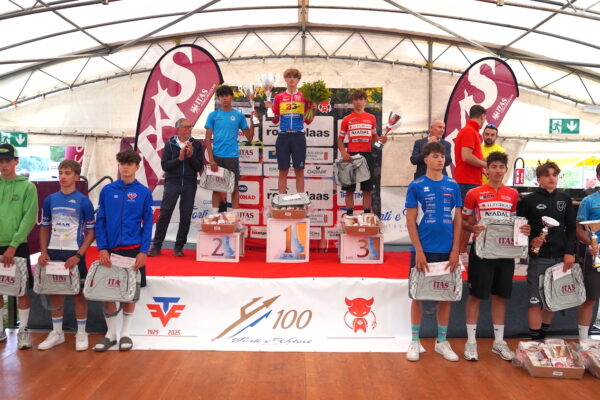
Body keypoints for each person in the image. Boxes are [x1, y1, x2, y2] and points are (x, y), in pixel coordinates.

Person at [462, 151, 530, 362]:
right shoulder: (474, 193)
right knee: (475, 296)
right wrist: (472, 227)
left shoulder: (513, 194)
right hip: (481, 252)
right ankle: (471, 342)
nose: (497, 171)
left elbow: (516, 223)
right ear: (486, 170)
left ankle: (499, 342)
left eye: (501, 167)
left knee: (500, 296)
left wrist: (524, 229)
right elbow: (463, 221)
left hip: (505, 252)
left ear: (506, 170)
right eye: (494, 167)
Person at [405, 141, 462, 362]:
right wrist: (418, 250)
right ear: (426, 159)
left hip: (447, 250)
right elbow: (410, 220)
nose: (440, 159)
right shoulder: (416, 185)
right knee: (417, 294)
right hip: (423, 250)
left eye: (443, 156)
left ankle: (441, 341)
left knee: (445, 294)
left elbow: (458, 219)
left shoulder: (453, 185)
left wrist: (456, 249)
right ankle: (414, 340)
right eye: (436, 156)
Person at [94, 149, 153, 352]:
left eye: (129, 164)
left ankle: (126, 333)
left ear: (137, 167)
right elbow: (100, 221)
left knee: (130, 293)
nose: (125, 167)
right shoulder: (107, 190)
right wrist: (102, 247)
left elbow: (148, 224)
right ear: (118, 166)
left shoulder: (144, 192)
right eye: (122, 164)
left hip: (133, 250)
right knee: (108, 292)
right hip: (110, 251)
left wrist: (144, 250)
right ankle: (111, 334)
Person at [37, 160, 96, 351]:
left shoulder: (84, 201)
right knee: (56, 291)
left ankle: (81, 332)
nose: (63, 176)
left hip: (74, 253)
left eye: (68, 173)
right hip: (54, 251)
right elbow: (44, 228)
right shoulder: (50, 200)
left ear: (76, 177)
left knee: (78, 294)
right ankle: (57, 333)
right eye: (60, 172)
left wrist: (79, 255)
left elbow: (91, 233)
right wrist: (44, 252)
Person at [516, 161, 576, 340]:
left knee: (552, 301)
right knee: (535, 302)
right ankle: (535, 342)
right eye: (547, 175)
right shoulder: (528, 201)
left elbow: (572, 228)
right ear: (539, 179)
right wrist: (530, 242)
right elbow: (520, 230)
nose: (552, 178)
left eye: (554, 175)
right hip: (538, 258)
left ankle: (542, 337)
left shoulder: (565, 199)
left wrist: (569, 252)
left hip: (560, 258)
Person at [0, 143, 38, 348]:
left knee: (22, 290)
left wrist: (14, 245)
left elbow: (29, 218)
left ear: (16, 161)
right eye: (0, 161)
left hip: (17, 246)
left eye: (7, 160)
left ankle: (23, 331)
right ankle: (1, 330)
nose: (3, 165)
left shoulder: (28, 187)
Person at [149, 118, 203, 257]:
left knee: (185, 216)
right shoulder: (170, 144)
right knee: (165, 214)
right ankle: (156, 246)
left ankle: (179, 247)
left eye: (190, 126)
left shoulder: (196, 144)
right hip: (172, 182)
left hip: (189, 183)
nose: (189, 129)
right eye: (186, 126)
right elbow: (165, 166)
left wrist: (190, 156)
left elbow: (198, 166)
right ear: (178, 129)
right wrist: (179, 159)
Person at [205, 85, 254, 214]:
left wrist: (253, 122)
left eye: (227, 95)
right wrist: (211, 159)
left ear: (231, 97)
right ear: (219, 98)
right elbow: (207, 139)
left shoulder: (239, 116)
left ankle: (235, 217)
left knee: (234, 187)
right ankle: (215, 216)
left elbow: (249, 137)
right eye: (222, 96)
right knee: (216, 187)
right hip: (217, 156)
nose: (224, 98)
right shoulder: (213, 115)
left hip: (232, 156)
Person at [337, 89, 387, 215]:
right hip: (351, 156)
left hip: (367, 156)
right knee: (349, 190)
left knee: (367, 190)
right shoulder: (346, 119)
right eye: (356, 99)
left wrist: (381, 140)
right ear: (352, 101)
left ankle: (366, 216)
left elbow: (374, 138)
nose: (358, 102)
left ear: (365, 101)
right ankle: (349, 216)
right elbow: (340, 140)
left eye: (361, 99)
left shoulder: (371, 118)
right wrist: (343, 153)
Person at [270, 68, 317, 194]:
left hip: (298, 136)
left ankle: (300, 200)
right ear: (285, 79)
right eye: (289, 76)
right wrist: (269, 111)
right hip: (283, 136)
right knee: (283, 170)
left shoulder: (304, 97)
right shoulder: (279, 97)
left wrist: (314, 110)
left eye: (294, 77)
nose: (291, 79)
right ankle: (281, 200)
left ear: (298, 80)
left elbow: (308, 121)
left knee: (299, 170)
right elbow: (275, 120)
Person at [455, 105, 488, 261]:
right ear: (482, 116)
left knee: (469, 219)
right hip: (466, 181)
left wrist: (483, 167)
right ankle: (459, 252)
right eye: (485, 118)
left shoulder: (471, 131)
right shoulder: (469, 131)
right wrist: (485, 165)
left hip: (470, 180)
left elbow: (470, 157)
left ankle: (461, 251)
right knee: (466, 219)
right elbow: (466, 156)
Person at [575, 162, 600, 341]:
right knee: (590, 299)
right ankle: (584, 341)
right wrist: (591, 244)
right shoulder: (588, 201)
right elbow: (579, 230)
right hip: (594, 256)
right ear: (598, 177)